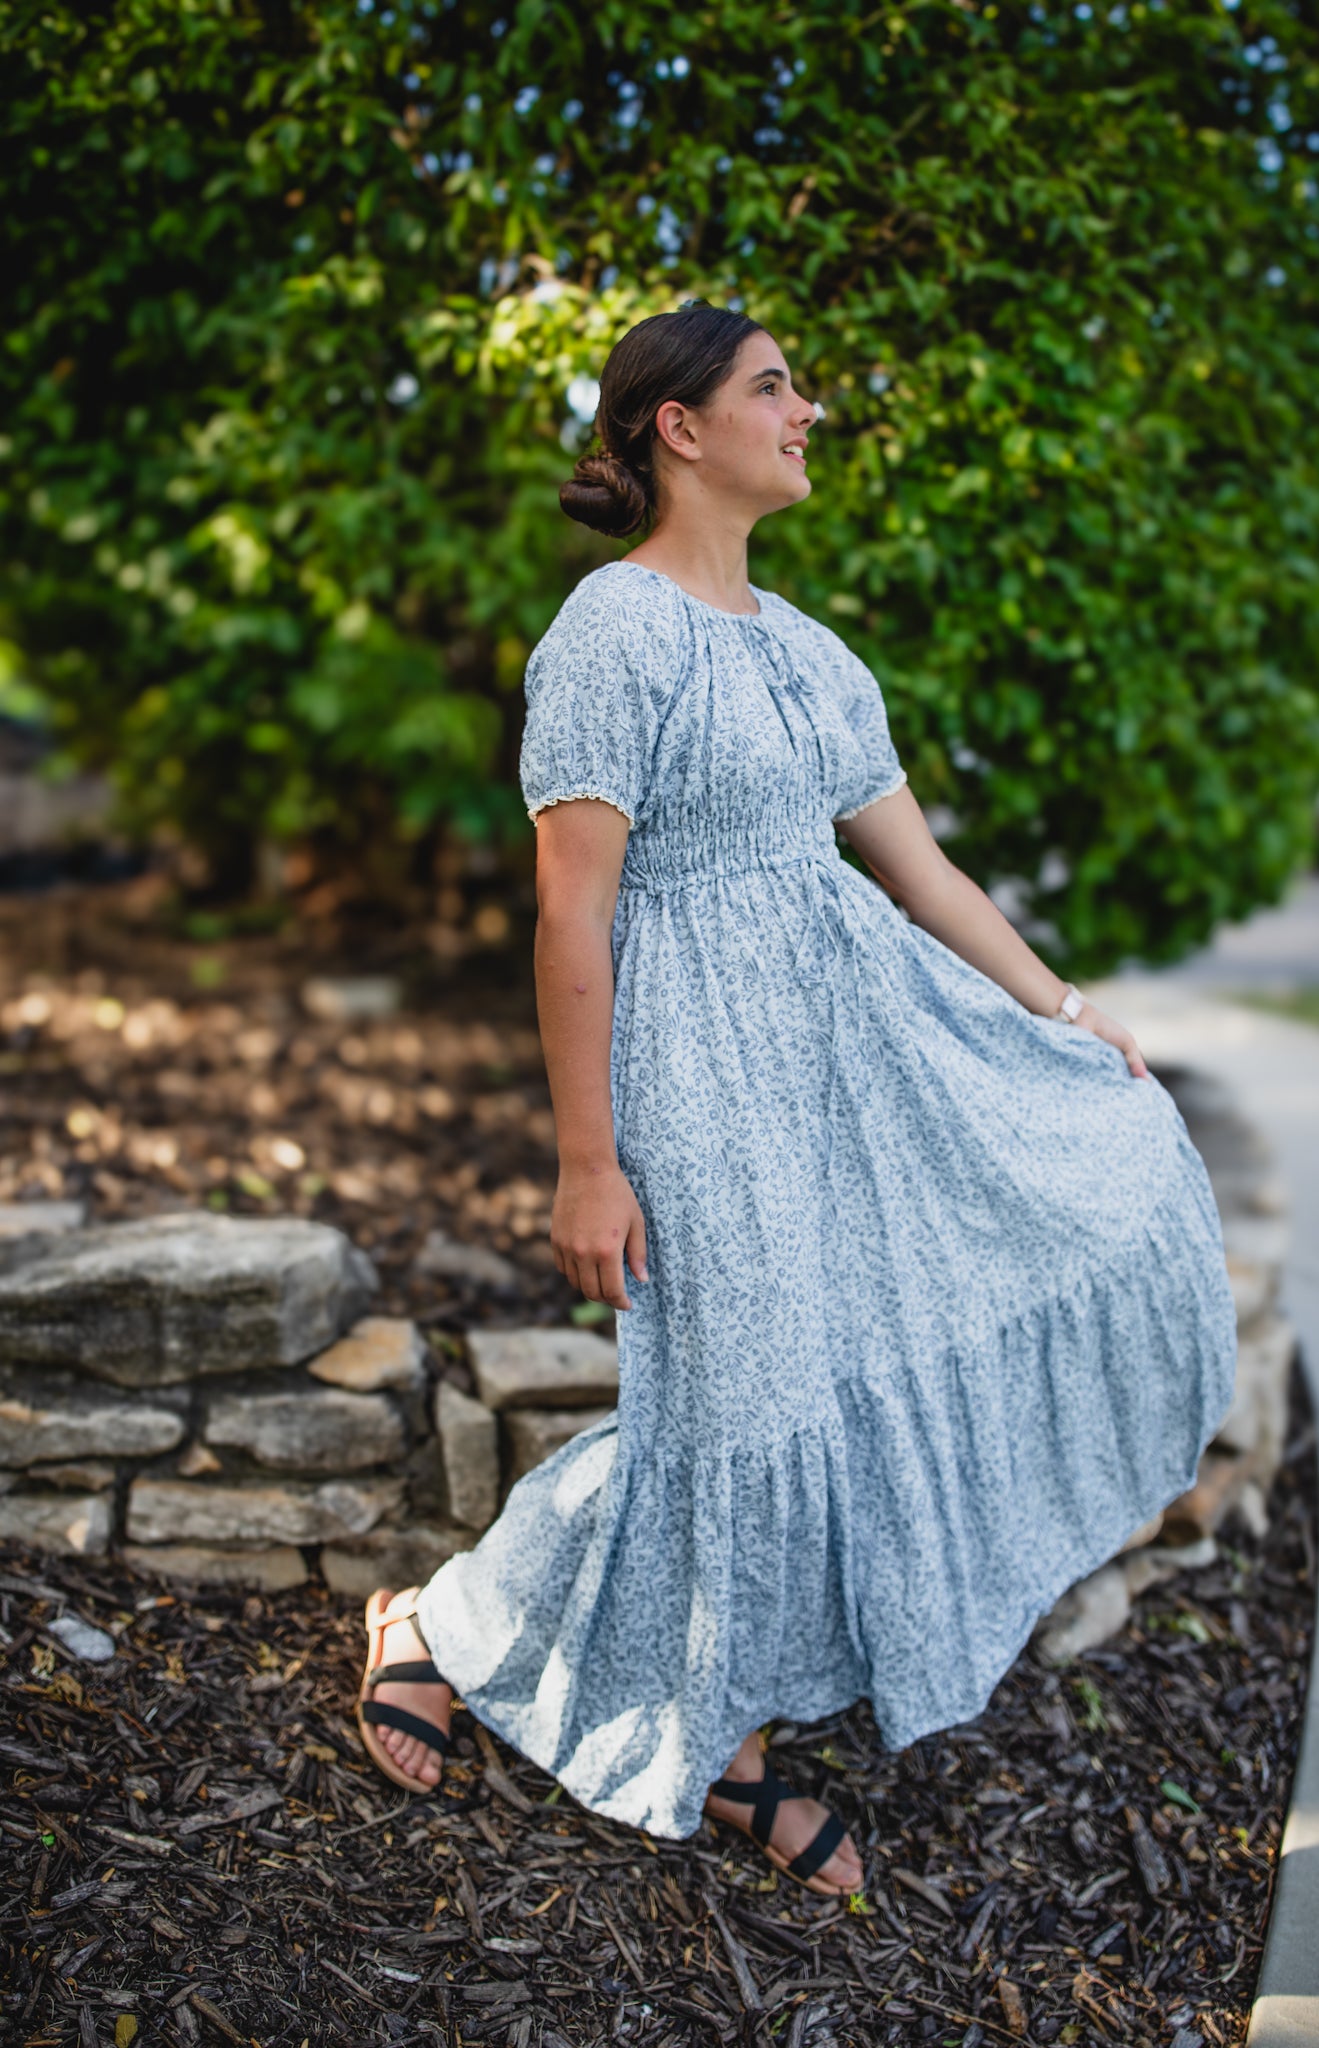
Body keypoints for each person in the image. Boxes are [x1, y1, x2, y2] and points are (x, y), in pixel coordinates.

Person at [354, 301, 1239, 1897]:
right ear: (677, 429)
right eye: (775, 389)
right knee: (736, 1409)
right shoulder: (608, 635)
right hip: (696, 1072)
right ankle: (639, 1714)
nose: (808, 411)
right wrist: (586, 1160)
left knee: (806, 1388)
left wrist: (1067, 1011)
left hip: (850, 1065)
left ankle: (549, 1653)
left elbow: (923, 874)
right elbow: (573, 912)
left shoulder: (814, 654)